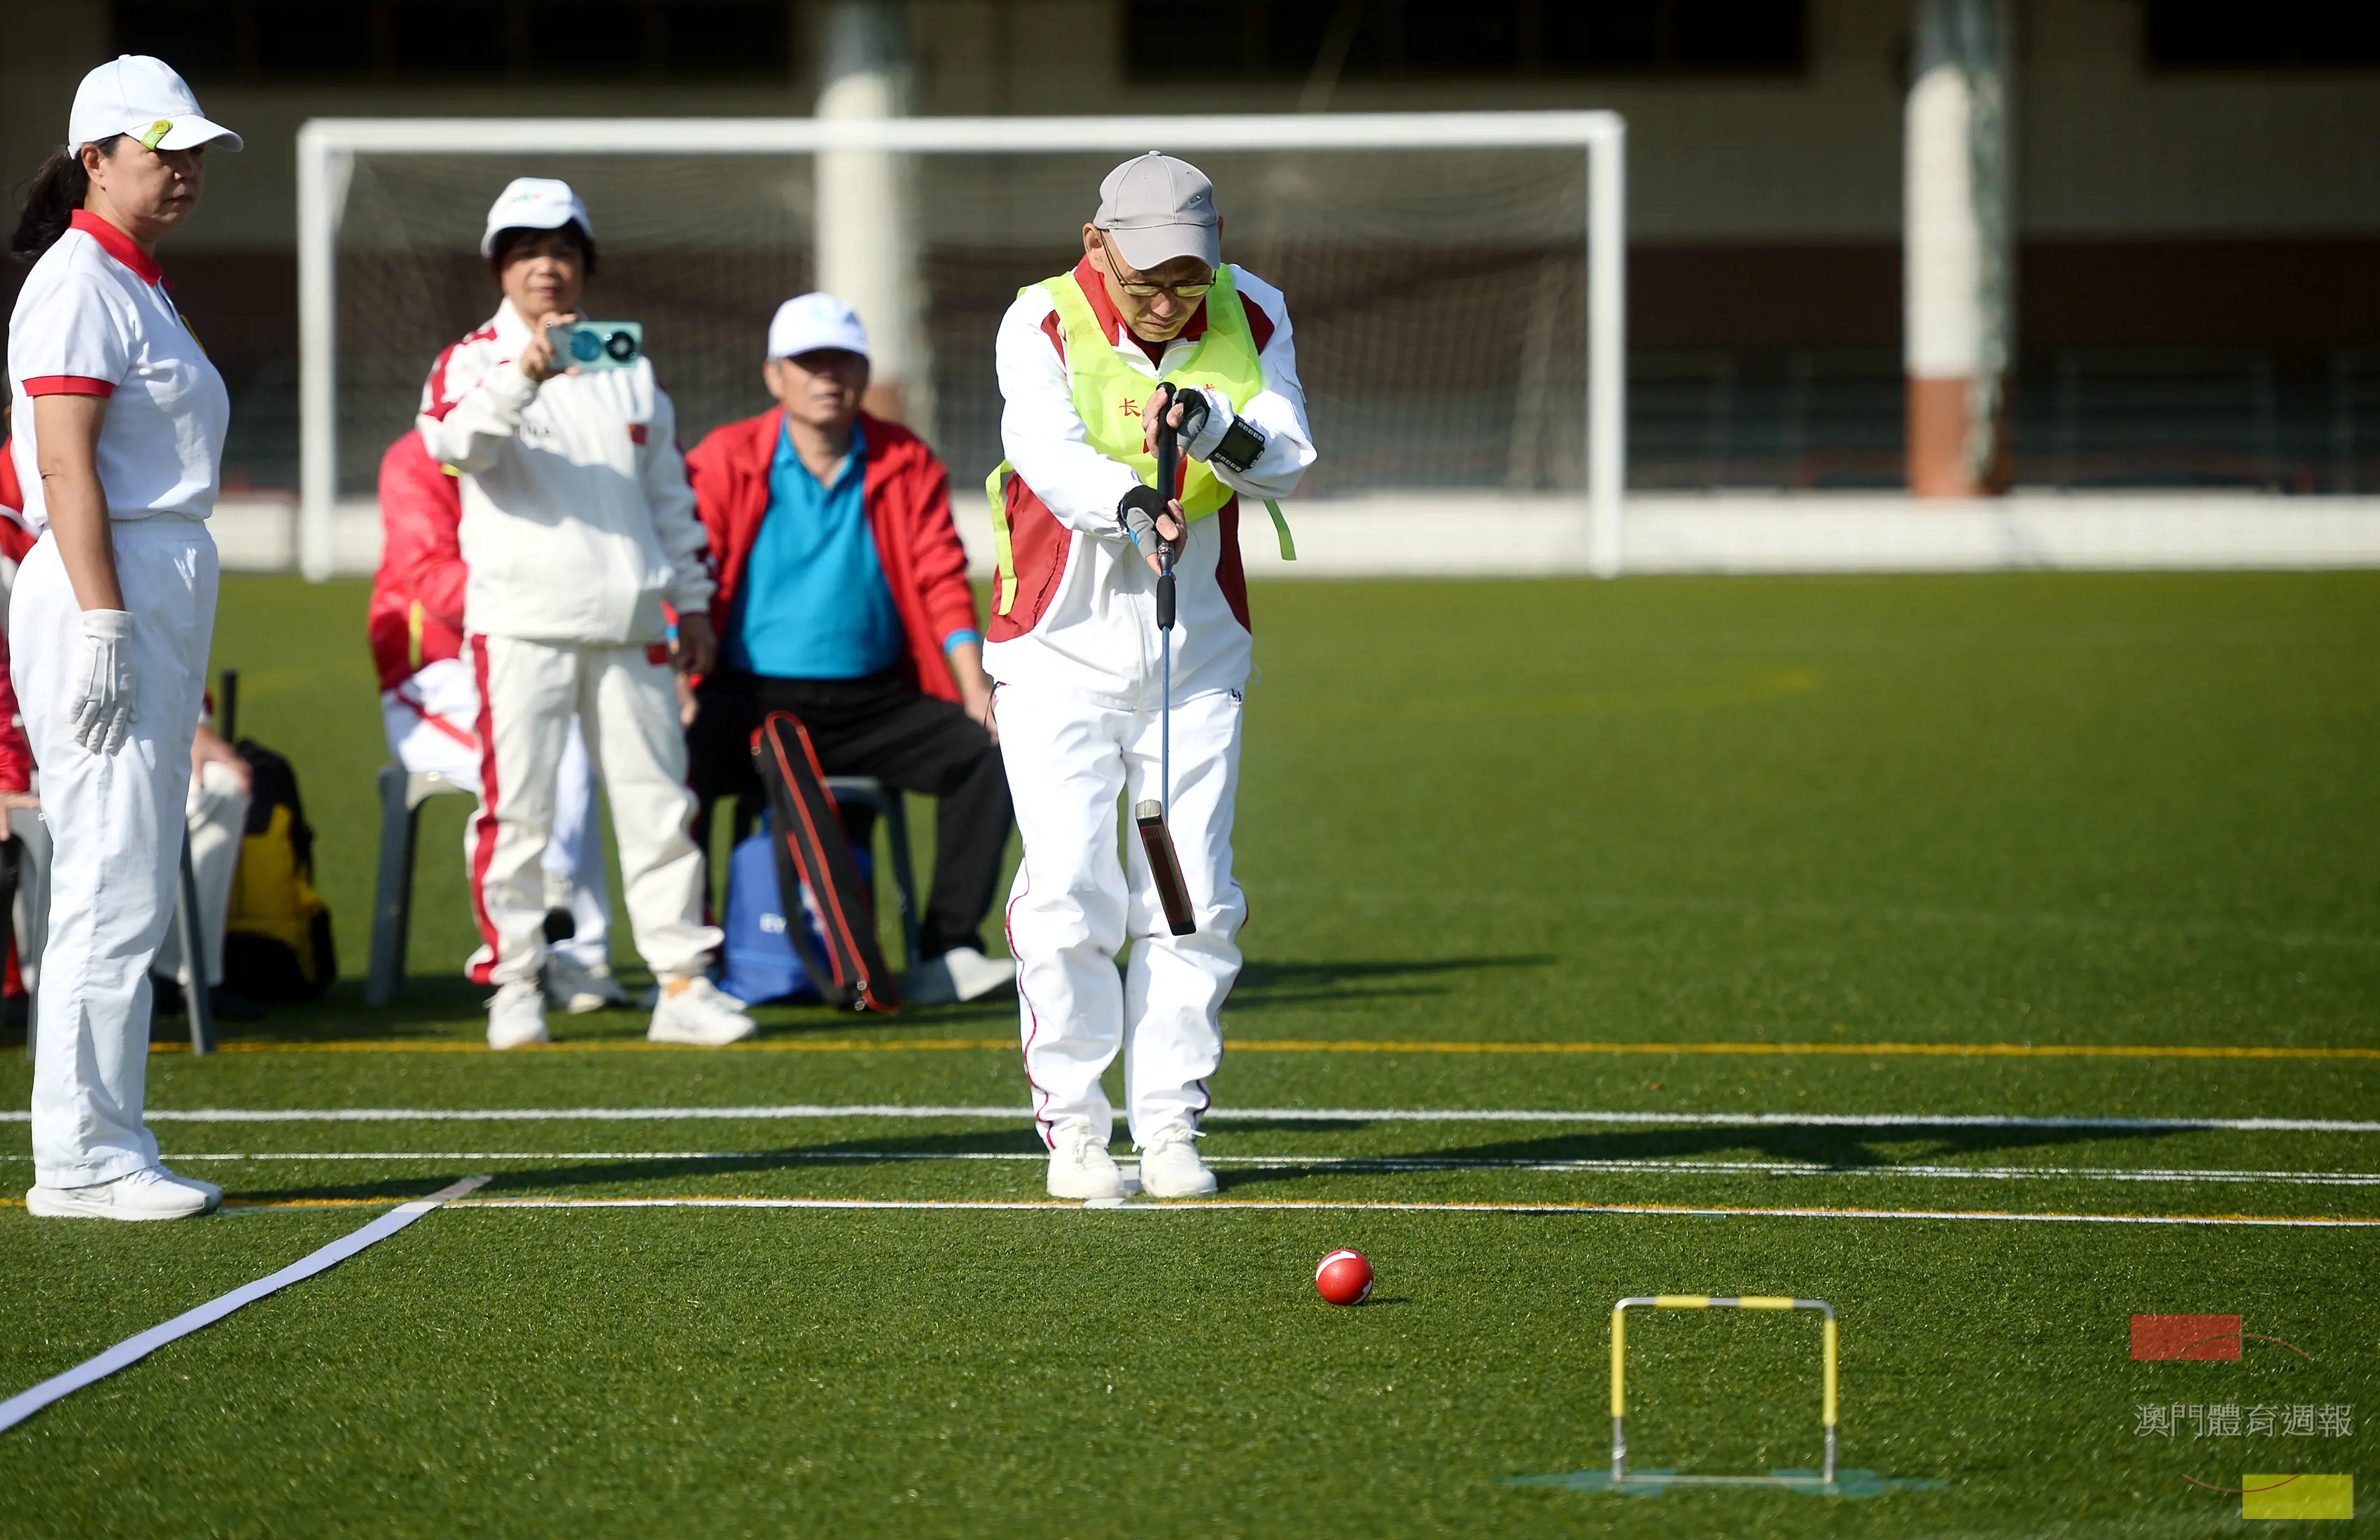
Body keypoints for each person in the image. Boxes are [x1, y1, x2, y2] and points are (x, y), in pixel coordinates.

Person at [988, 153, 1315, 1198]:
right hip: (1055, 653)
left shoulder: (1252, 310)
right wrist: (1131, 502)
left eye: (1188, 278)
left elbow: (1291, 457)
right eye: (1147, 282)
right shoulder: (1037, 320)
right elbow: (1042, 451)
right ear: (1098, 249)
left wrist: (1218, 431)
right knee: (1073, 896)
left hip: (1198, 657)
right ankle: (1077, 1137)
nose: (1171, 303)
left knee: (1191, 900)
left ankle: (1170, 1126)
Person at [416, 177, 750, 1049]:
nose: (547, 266)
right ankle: (516, 982)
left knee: (657, 810)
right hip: (519, 622)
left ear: (584, 263)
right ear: (500, 265)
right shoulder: (469, 360)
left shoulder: (623, 362)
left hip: (633, 620)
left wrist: (691, 603)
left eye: (562, 249)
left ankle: (681, 982)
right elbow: (455, 446)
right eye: (528, 250)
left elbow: (669, 496)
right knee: (515, 813)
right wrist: (524, 375)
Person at [6, 55, 246, 1219]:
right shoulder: (81, 282)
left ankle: (104, 1139)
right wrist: (103, 615)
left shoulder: (135, 281)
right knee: (108, 865)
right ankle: (84, 1159)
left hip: (148, 576)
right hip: (106, 582)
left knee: (131, 866)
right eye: (162, 149)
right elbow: (64, 461)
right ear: (94, 160)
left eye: (193, 150)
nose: (184, 168)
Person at [685, 294, 1016, 1004]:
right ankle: (695, 957)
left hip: (873, 703)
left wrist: (973, 690)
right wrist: (678, 685)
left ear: (863, 374)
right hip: (745, 698)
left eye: (842, 361)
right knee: (666, 762)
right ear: (775, 376)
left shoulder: (905, 460)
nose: (826, 376)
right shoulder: (723, 457)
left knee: (992, 749)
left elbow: (940, 581)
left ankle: (946, 948)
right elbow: (685, 571)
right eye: (809, 363)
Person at [369, 428, 626, 1011]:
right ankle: (518, 955)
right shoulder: (419, 453)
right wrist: (540, 603)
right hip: (429, 676)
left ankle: (579, 955)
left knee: (570, 744)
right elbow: (429, 572)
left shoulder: (555, 446)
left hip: (536, 646)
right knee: (525, 752)